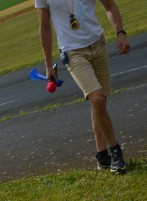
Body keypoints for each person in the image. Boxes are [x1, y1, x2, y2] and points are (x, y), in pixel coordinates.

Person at [36, 0, 131, 173]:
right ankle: (115, 151)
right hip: (73, 53)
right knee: (97, 99)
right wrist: (48, 64)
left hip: (98, 44)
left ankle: (102, 156)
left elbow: (110, 5)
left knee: (99, 104)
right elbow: (45, 26)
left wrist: (120, 32)